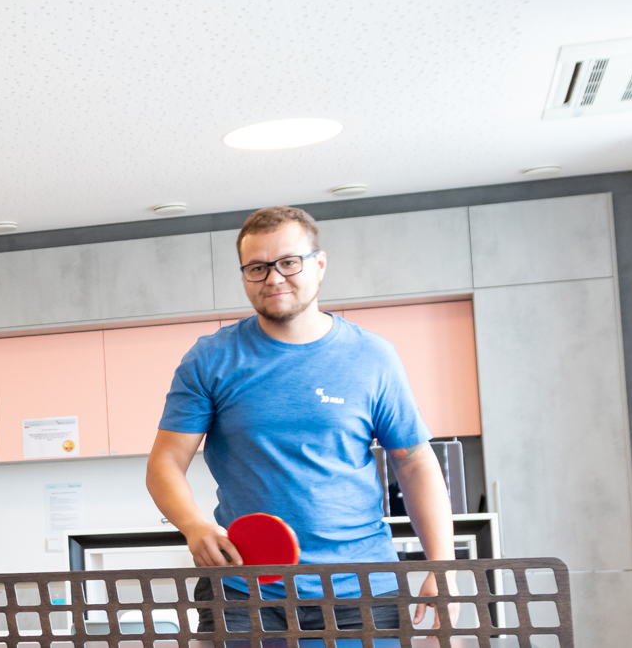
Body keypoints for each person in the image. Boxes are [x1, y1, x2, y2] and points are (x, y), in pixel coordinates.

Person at [143, 206, 455, 644]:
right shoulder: (210, 359)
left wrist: (442, 568)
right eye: (257, 267)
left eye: (289, 262)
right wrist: (194, 526)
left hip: (363, 588)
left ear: (319, 265)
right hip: (242, 588)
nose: (273, 278)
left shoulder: (373, 357)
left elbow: (415, 462)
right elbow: (164, 463)